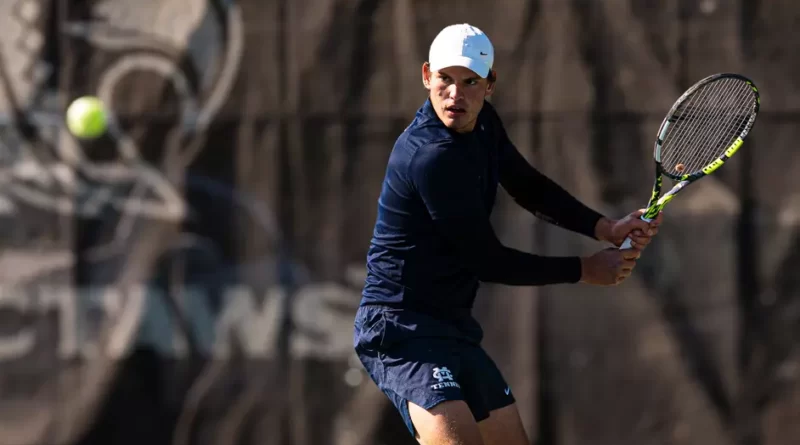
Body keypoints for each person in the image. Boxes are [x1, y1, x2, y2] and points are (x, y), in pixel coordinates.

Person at [353, 23, 663, 445]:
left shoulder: (483, 124)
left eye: (470, 82)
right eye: (445, 78)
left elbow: (526, 185)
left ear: (490, 85)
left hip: (453, 324)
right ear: (426, 75)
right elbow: (487, 261)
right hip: (400, 326)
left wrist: (605, 227)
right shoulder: (430, 158)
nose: (455, 94)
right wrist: (584, 269)